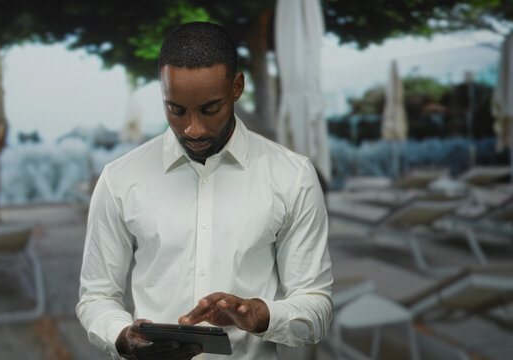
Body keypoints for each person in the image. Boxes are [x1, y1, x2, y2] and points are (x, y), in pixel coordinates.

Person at [76, 22, 332, 360]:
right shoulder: (119, 179)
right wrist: (121, 337)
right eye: (176, 110)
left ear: (237, 87)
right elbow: (96, 297)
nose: (192, 129)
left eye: (210, 109)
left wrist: (261, 314)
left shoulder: (292, 176)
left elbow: (317, 305)